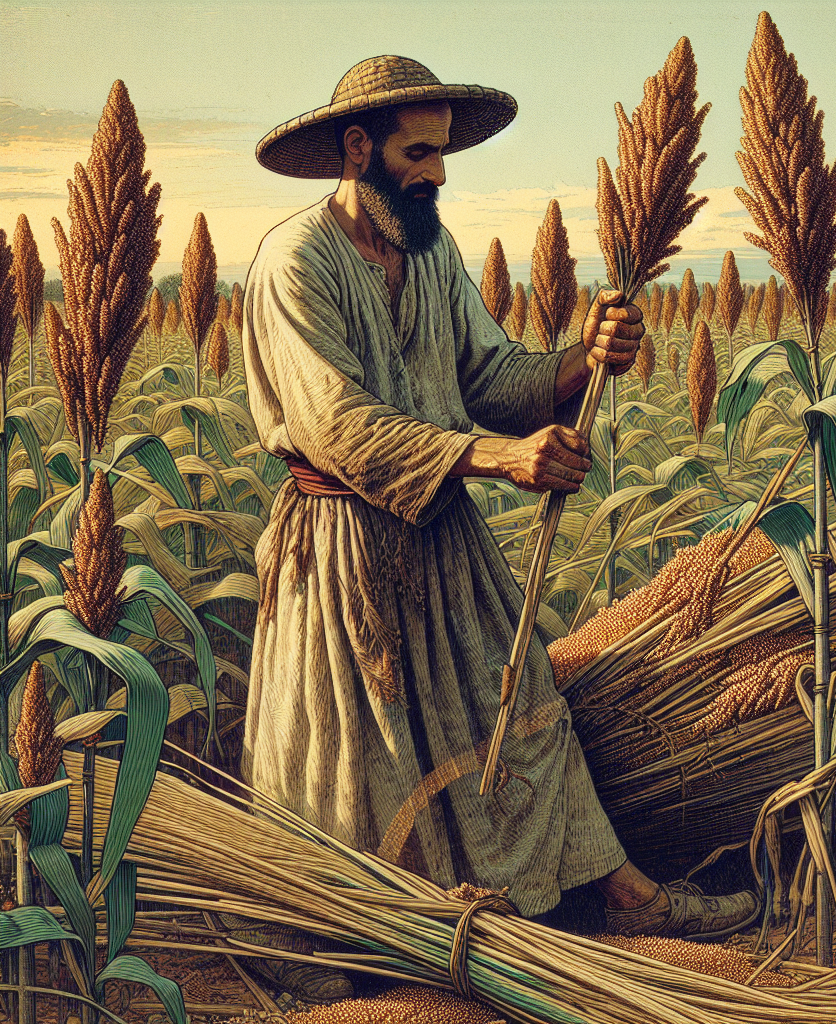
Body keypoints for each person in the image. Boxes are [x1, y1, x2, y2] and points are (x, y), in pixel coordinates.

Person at [239, 55, 758, 1000]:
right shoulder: (293, 262)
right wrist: (495, 459)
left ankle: (626, 897)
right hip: (339, 555)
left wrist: (578, 361)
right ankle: (361, 958)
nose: (438, 174)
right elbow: (337, 428)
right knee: (362, 765)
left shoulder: (432, 256)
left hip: (440, 541)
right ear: (358, 149)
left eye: (443, 154)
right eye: (419, 153)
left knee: (522, 714)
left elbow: (496, 383)